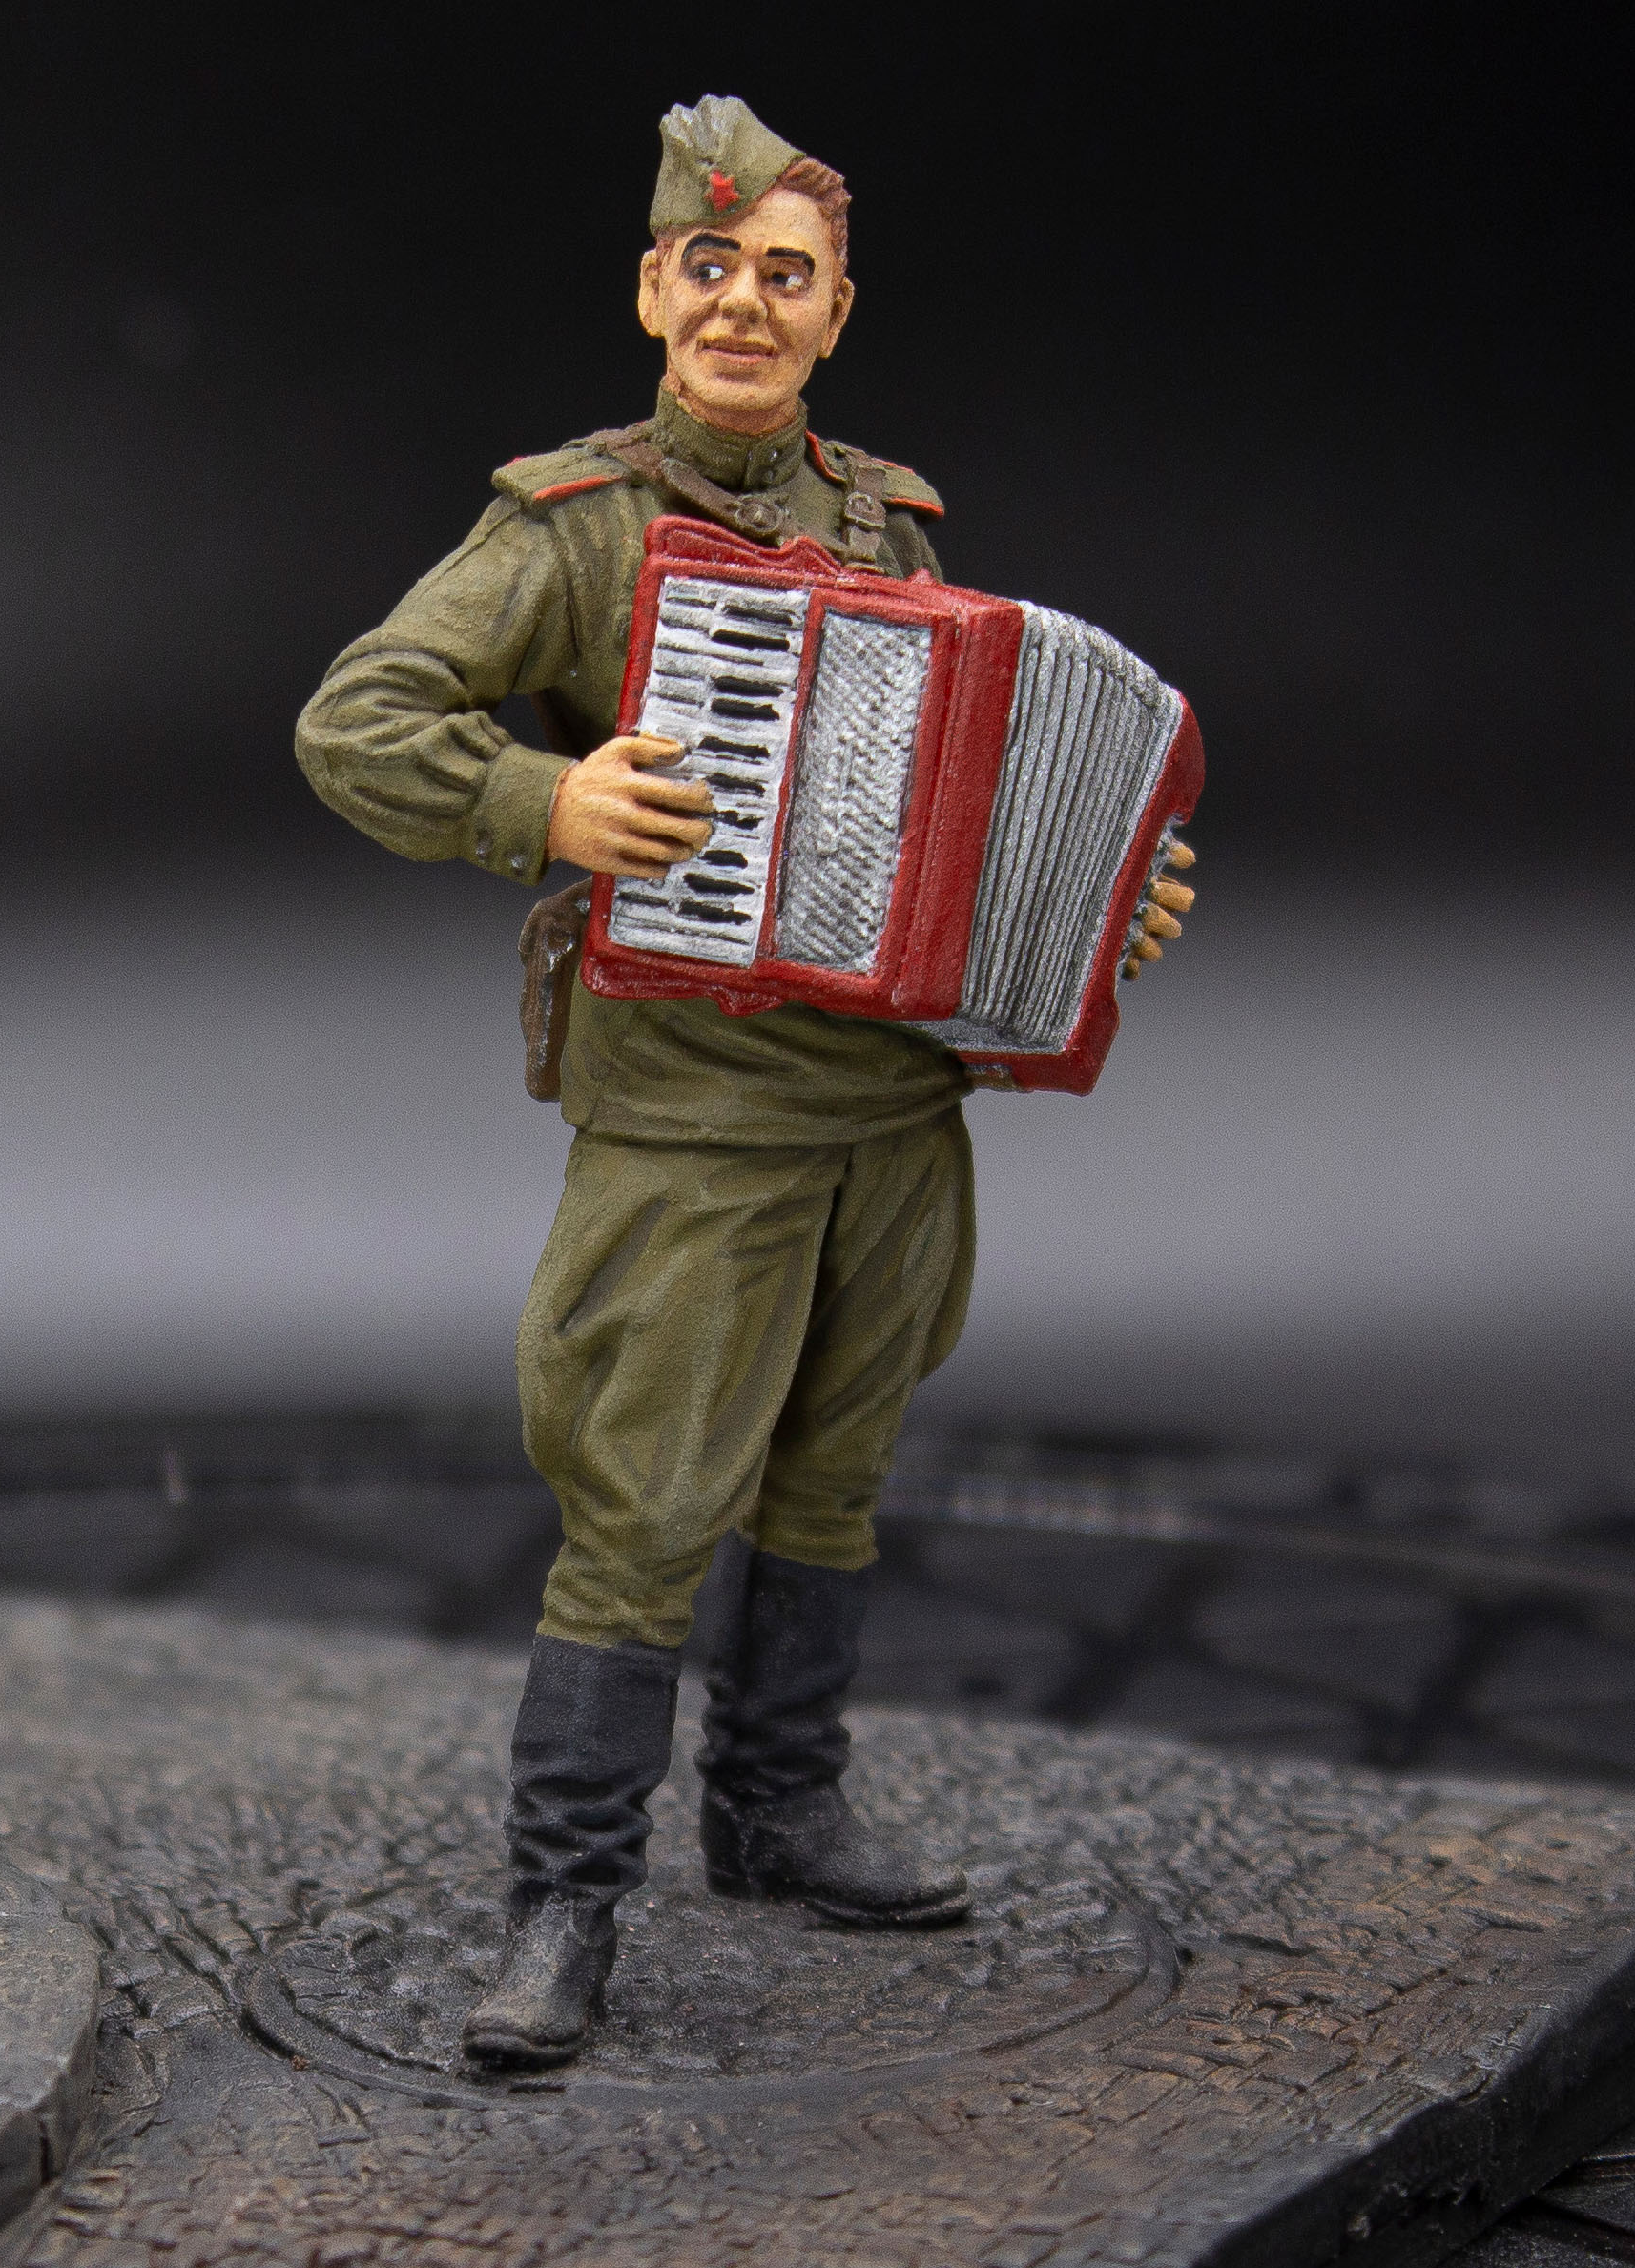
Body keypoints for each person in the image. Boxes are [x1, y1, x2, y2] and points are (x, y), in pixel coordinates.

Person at [294, 95, 1195, 2069]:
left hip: (888, 1116)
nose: (743, 305)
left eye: (785, 276)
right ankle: (563, 1901)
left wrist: (1089, 899)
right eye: (710, 267)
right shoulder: (576, 528)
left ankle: (781, 1808)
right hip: (695, 1127)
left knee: (833, 1469)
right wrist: (548, 800)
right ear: (652, 289)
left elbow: (967, 800)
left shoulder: (892, 526)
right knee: (643, 1504)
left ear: (834, 314)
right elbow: (355, 719)